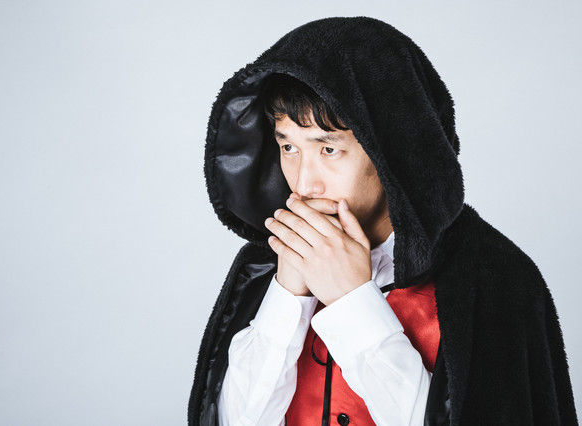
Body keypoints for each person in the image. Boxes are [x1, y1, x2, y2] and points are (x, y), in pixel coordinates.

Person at [188, 16, 578, 425]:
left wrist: (352, 302)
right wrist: (288, 295)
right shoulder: (263, 268)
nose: (303, 183)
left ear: (391, 149)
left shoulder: (492, 279)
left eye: (328, 149)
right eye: (289, 147)